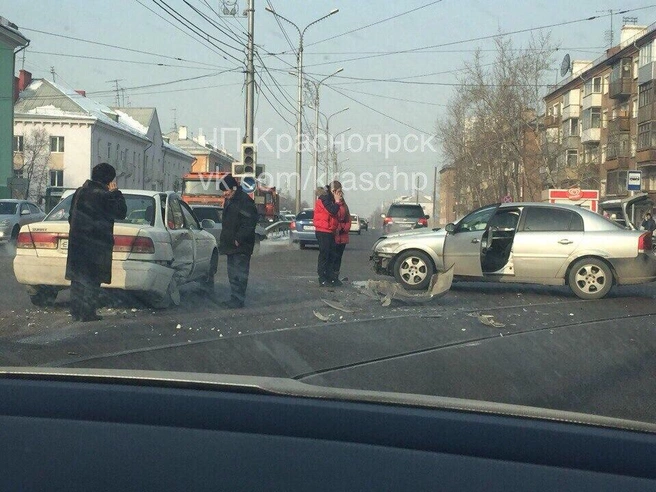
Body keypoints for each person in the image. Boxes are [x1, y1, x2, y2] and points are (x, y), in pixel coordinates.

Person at [66, 163, 127, 322]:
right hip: (96, 244)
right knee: (93, 280)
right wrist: (116, 193)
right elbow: (121, 212)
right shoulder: (105, 195)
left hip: (77, 243)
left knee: (78, 279)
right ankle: (88, 313)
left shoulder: (79, 192)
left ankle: (76, 312)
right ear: (109, 180)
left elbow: (70, 216)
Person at [218, 174, 258, 308]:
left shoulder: (244, 201)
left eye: (226, 190)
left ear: (233, 188)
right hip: (232, 244)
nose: (224, 194)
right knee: (232, 273)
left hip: (241, 245)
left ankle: (238, 299)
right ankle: (234, 297)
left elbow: (249, 222)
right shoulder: (231, 200)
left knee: (239, 273)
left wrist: (238, 239)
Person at [314, 184, 341, 286]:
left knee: (331, 255)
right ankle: (322, 278)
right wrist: (337, 201)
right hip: (323, 230)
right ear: (333, 191)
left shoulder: (329, 200)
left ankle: (329, 277)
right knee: (325, 254)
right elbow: (332, 211)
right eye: (338, 192)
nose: (339, 194)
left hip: (329, 230)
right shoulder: (324, 199)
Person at [332, 182, 351, 287]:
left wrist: (345, 228)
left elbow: (348, 218)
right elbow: (332, 216)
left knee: (338, 257)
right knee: (331, 256)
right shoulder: (331, 203)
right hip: (334, 234)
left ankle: (335, 276)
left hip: (342, 235)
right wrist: (337, 227)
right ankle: (329, 276)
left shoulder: (344, 204)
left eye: (340, 192)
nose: (339, 194)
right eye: (337, 192)